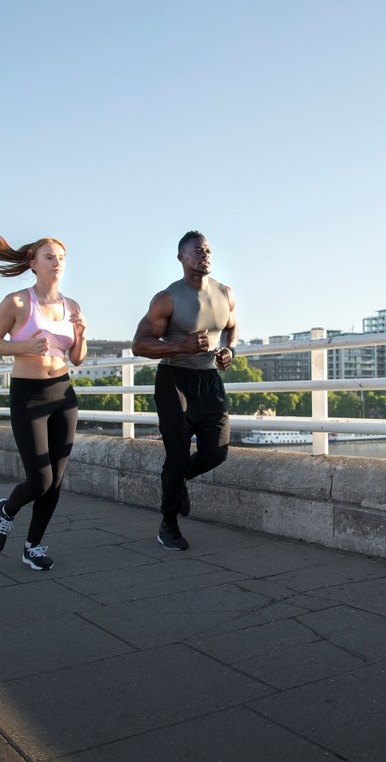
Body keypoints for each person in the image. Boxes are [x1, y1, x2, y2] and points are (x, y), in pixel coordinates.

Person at [0, 230, 87, 571]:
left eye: (60, 257)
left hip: (63, 394)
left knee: (57, 480)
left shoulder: (71, 305)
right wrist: (24, 347)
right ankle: (7, 511)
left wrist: (82, 334)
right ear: (33, 264)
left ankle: (34, 545)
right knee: (40, 479)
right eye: (49, 256)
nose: (56, 262)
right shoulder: (17, 302)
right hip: (28, 395)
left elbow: (77, 358)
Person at [132, 231, 238, 551]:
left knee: (215, 452)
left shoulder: (226, 294)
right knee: (177, 454)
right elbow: (139, 345)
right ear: (182, 258)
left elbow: (231, 327)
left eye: (207, 249)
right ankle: (169, 523)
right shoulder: (167, 298)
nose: (204, 254)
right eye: (197, 250)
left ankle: (176, 483)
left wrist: (228, 351)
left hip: (208, 381)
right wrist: (182, 344)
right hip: (173, 380)